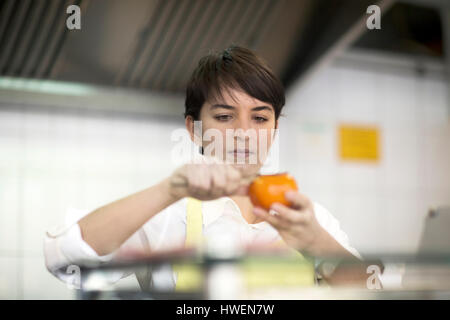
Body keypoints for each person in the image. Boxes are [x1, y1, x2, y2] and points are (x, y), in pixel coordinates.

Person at [44, 45, 371, 292]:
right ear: (194, 128)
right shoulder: (168, 216)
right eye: (225, 116)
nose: (244, 132)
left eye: (259, 118)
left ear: (273, 130)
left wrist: (316, 241)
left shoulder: (309, 218)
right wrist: (168, 190)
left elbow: (372, 289)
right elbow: (66, 261)